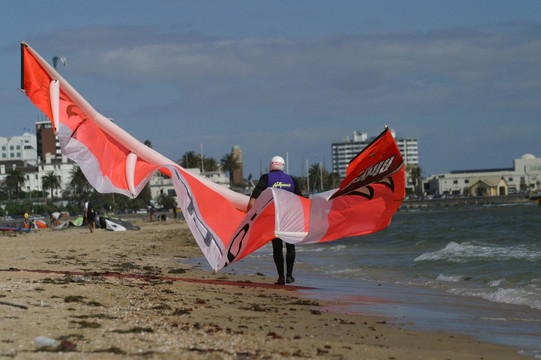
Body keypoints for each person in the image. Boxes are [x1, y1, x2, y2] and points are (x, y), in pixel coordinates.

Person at [248, 156, 303, 285]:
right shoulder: (291, 179)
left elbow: (253, 200)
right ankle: (289, 275)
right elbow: (301, 200)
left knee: (277, 248)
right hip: (289, 217)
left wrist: (253, 217)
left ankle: (281, 277)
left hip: (274, 217)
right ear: (283, 165)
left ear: (271, 165)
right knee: (290, 246)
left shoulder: (266, 178)